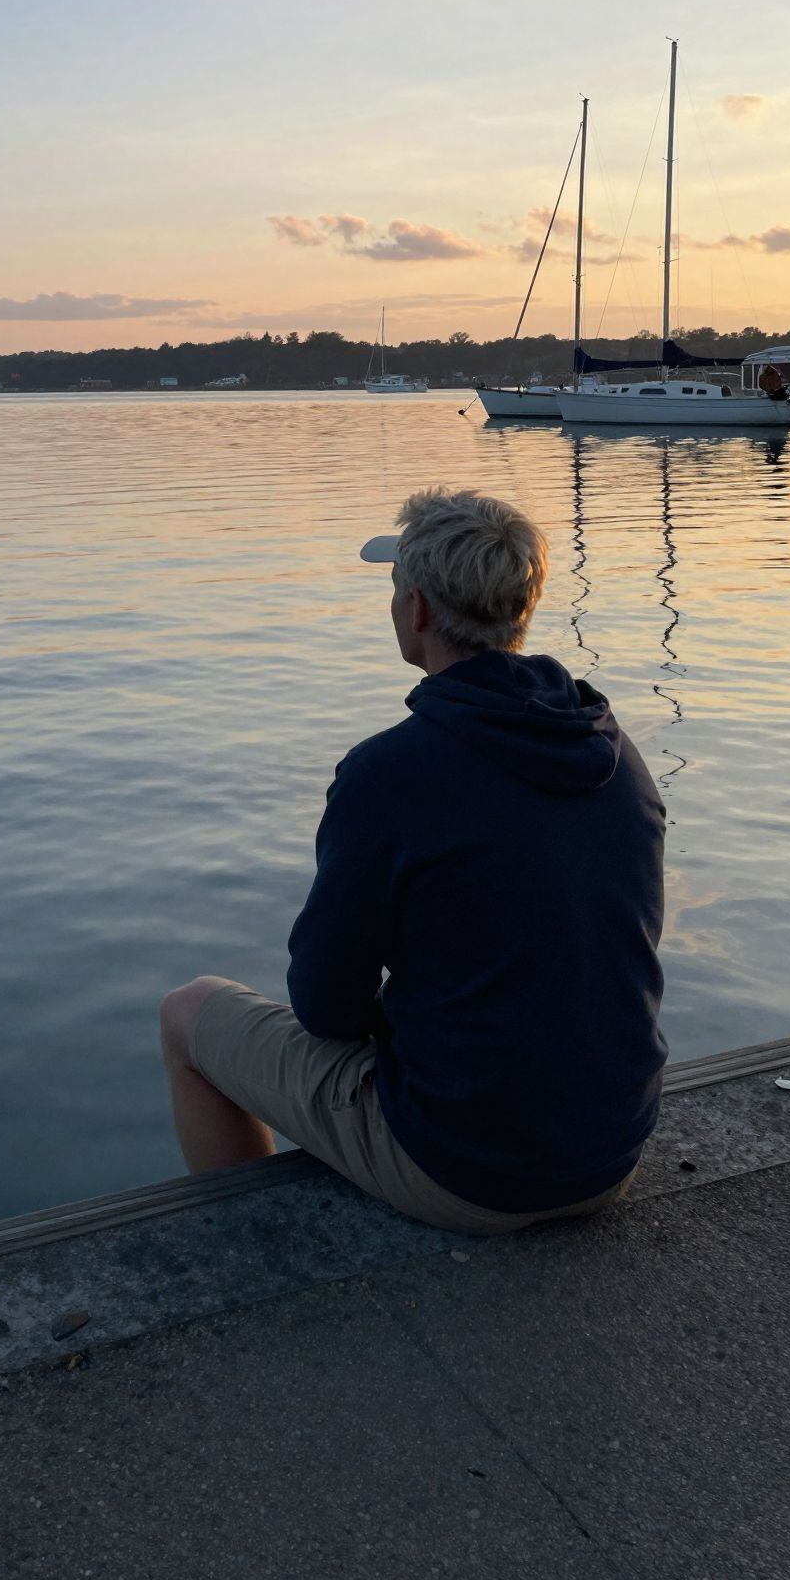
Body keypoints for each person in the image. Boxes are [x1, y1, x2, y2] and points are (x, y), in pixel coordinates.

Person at [160, 486, 667, 1236]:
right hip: (609, 1148)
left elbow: (325, 1005)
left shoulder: (388, 775)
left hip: (474, 1173)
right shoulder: (615, 753)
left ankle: (252, 1264)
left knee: (187, 1015)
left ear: (419, 611)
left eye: (397, 589)